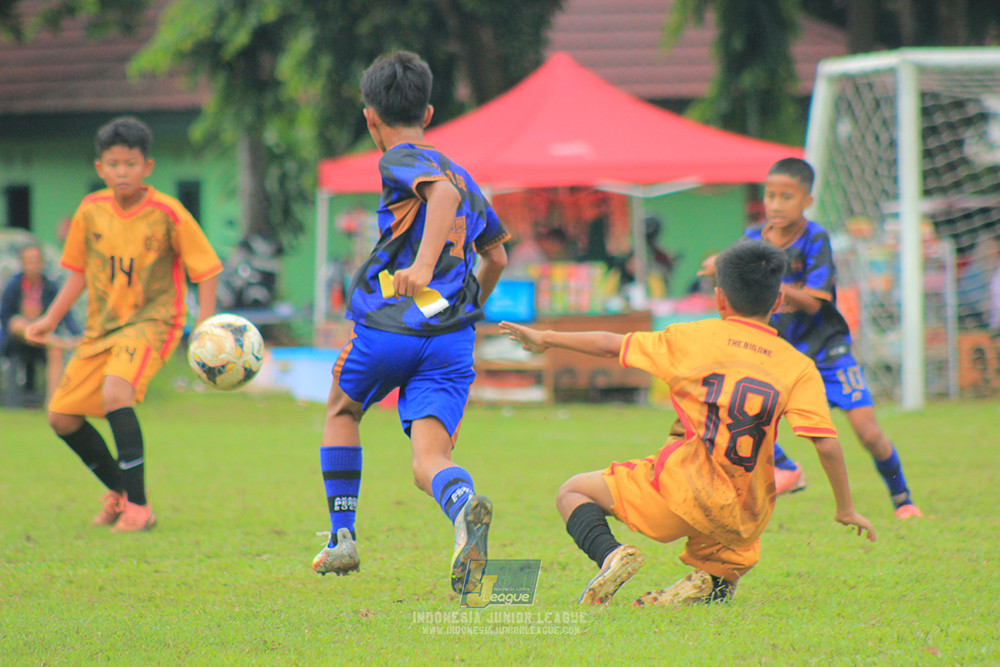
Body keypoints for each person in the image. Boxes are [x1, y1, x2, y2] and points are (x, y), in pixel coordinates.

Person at [500, 240, 875, 606]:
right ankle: (710, 583)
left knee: (572, 492)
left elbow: (609, 345)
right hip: (744, 511)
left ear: (719, 299)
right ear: (779, 302)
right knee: (726, 566)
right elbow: (825, 442)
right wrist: (845, 508)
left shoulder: (692, 338)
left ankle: (612, 555)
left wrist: (546, 338)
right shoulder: (798, 367)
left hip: (681, 492)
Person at [310, 51, 510, 595]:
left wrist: (421, 268)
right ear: (429, 111)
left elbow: (437, 196)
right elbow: (497, 257)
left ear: (369, 117)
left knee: (342, 409)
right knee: (430, 460)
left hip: (387, 329)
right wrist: (467, 306)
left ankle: (342, 537)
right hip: (449, 340)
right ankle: (463, 506)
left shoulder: (398, 158)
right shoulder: (463, 175)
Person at [25, 116, 222, 532]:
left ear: (147, 167)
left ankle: (140, 509)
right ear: (100, 168)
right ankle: (122, 493)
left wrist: (205, 324)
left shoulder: (168, 213)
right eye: (113, 164)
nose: (122, 172)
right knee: (61, 416)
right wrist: (48, 319)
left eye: (130, 163)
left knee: (117, 392)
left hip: (154, 323)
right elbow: (77, 272)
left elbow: (205, 269)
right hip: (101, 330)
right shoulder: (91, 210)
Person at [700, 157, 922, 519]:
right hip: (781, 353)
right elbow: (736, 266)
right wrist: (720, 266)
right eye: (770, 195)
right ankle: (786, 469)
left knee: (868, 433)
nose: (775, 204)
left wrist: (769, 283)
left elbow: (816, 303)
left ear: (807, 200)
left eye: (786, 196)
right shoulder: (754, 238)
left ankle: (904, 501)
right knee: (738, 408)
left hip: (828, 350)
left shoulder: (816, 238)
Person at [1, 242, 81, 405]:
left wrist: (78, 335)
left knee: (56, 350)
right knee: (17, 322)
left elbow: (65, 313)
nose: (32, 265)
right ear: (22, 263)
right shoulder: (14, 287)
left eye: (35, 260)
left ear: (42, 263)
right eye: (28, 261)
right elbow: (6, 316)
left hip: (45, 337)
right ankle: (39, 334)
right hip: (18, 339)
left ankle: (52, 402)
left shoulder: (50, 287)